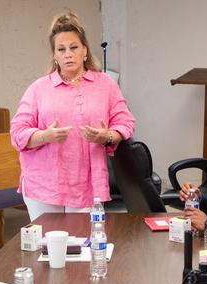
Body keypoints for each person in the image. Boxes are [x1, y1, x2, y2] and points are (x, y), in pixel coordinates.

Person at [10, 12, 136, 221]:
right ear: (55, 55)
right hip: (45, 185)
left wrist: (107, 136)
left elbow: (126, 121)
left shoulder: (105, 85)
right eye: (61, 49)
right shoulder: (38, 89)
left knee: (85, 246)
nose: (68, 54)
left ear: (85, 50)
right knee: (49, 248)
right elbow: (17, 133)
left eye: (74, 47)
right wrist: (44, 136)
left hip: (87, 185)